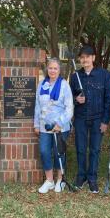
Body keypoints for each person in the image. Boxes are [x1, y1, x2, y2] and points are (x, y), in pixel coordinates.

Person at [69, 45, 110, 193]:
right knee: (81, 149)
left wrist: (105, 121)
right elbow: (69, 99)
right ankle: (81, 176)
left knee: (95, 149)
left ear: (93, 58)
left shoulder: (105, 75)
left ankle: (92, 178)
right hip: (80, 118)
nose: (85, 60)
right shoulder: (75, 77)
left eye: (87, 56)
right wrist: (76, 99)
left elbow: (108, 99)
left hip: (98, 118)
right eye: (82, 57)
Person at [34, 58, 74, 194]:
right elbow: (37, 106)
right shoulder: (42, 84)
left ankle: (60, 180)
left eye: (55, 68)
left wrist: (60, 124)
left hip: (60, 127)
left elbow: (69, 108)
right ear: (47, 69)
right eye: (50, 68)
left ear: (59, 70)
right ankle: (49, 180)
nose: (52, 70)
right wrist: (36, 124)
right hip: (45, 126)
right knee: (45, 152)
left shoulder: (64, 85)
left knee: (59, 153)